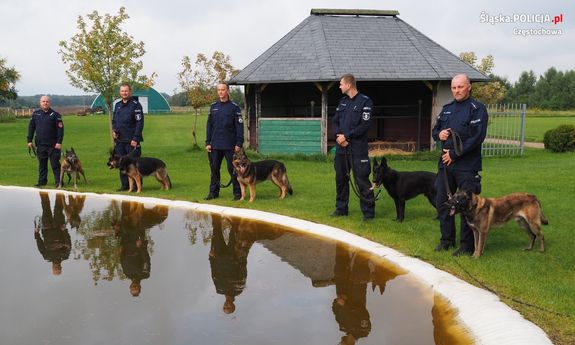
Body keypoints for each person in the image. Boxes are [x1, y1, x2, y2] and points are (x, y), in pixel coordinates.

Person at [432, 74, 488, 256]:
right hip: (445, 166)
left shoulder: (477, 109)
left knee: (466, 205)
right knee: (443, 202)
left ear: (469, 87)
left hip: (466, 165)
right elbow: (435, 130)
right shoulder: (447, 109)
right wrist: (438, 134)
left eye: (460, 87)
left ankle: (466, 246)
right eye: (454, 88)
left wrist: (455, 155)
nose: (456, 91)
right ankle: (446, 240)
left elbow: (477, 137)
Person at [332, 74, 375, 221]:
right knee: (341, 179)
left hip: (358, 149)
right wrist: (339, 137)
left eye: (341, 84)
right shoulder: (342, 102)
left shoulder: (365, 102)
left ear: (349, 85)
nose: (340, 86)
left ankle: (368, 213)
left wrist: (347, 136)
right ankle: (341, 209)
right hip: (341, 149)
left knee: (362, 180)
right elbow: (335, 121)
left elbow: (365, 126)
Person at [205, 83, 243, 201]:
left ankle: (237, 194)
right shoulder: (213, 107)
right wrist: (208, 142)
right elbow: (209, 126)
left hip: (230, 145)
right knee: (214, 169)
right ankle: (213, 193)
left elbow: (239, 126)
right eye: (218, 90)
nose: (220, 92)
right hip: (215, 144)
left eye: (223, 90)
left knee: (232, 169)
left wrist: (239, 143)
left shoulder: (234, 107)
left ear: (227, 91)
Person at [112, 83, 144, 191]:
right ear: (120, 92)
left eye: (126, 91)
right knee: (121, 164)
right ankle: (125, 185)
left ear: (130, 92)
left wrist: (136, 138)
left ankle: (137, 187)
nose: (124, 93)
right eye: (122, 91)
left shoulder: (136, 105)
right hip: (120, 141)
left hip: (132, 141)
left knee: (134, 165)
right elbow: (115, 121)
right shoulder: (117, 105)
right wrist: (114, 130)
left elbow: (140, 123)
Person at [27, 95, 64, 187]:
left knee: (55, 164)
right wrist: (29, 140)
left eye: (47, 101)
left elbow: (60, 130)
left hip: (53, 145)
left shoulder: (56, 115)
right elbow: (31, 128)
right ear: (40, 103)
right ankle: (42, 182)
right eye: (43, 101)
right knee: (42, 165)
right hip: (40, 145)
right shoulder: (36, 114)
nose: (45, 103)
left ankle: (58, 182)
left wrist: (59, 142)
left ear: (49, 103)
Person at [34, 192, 70, 276]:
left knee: (45, 207)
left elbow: (40, 244)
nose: (57, 266)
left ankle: (43, 192)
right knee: (59, 207)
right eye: (58, 268)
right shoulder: (65, 255)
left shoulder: (46, 256)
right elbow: (68, 242)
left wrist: (36, 233)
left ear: (52, 267)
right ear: (61, 267)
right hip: (59, 226)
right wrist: (64, 230)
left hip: (47, 227)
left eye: (55, 268)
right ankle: (59, 191)